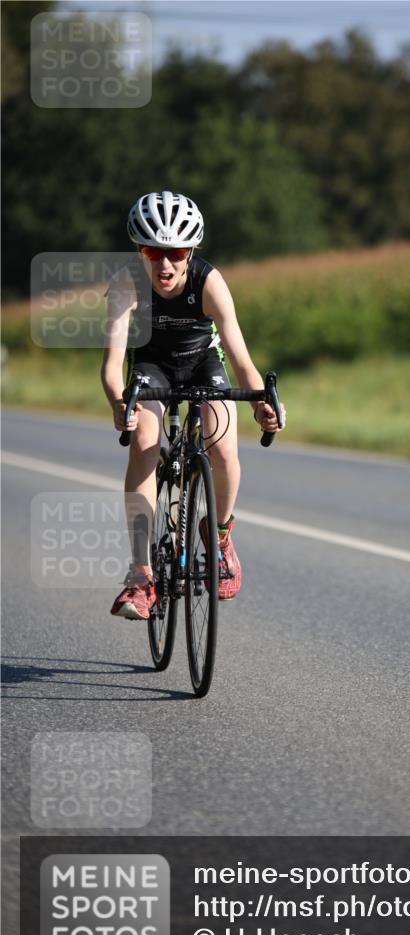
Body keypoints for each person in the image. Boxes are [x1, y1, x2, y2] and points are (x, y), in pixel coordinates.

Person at [101, 190, 285, 620]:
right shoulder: (126, 283)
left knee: (223, 446)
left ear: (192, 250)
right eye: (153, 251)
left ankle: (218, 538)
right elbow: (111, 365)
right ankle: (141, 576)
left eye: (177, 252)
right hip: (152, 366)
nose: (165, 264)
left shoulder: (209, 282)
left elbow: (241, 359)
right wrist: (118, 404)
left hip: (203, 362)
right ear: (139, 249)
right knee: (145, 442)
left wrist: (260, 404)